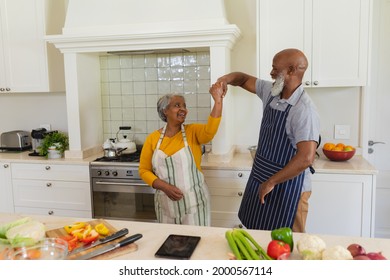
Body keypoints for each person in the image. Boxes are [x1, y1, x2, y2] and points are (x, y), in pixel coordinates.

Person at [216, 48, 320, 232]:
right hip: (261, 177)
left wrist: (271, 182)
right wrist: (224, 80)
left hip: (290, 188)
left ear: (291, 70)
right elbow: (242, 79)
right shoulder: (272, 92)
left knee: (289, 242)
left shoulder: (303, 110)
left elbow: (306, 158)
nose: (270, 73)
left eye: (275, 69)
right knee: (259, 234)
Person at [139, 84, 224, 226]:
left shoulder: (193, 132)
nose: (183, 109)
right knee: (169, 244)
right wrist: (164, 187)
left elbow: (210, 130)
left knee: (198, 242)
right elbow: (143, 170)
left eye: (184, 106)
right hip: (166, 206)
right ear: (165, 111)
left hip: (194, 205)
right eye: (177, 105)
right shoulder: (152, 139)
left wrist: (218, 102)